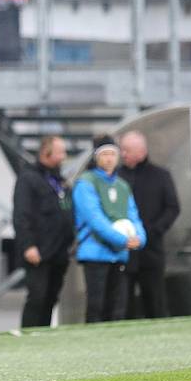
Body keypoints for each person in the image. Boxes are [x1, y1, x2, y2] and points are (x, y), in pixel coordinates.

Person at [73, 135, 146, 323]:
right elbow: (95, 219)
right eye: (104, 154)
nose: (109, 158)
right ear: (96, 157)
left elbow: (133, 215)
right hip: (95, 253)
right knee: (97, 306)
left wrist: (139, 238)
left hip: (119, 254)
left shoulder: (122, 186)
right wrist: (123, 240)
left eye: (112, 154)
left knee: (118, 307)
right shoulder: (85, 183)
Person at [13, 136, 75, 328]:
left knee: (50, 297)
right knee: (37, 297)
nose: (64, 156)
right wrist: (28, 245)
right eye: (60, 152)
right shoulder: (28, 179)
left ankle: (44, 333)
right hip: (38, 251)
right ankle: (29, 333)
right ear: (46, 153)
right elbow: (22, 215)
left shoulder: (59, 180)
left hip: (58, 251)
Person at [118, 131, 180, 319]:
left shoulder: (160, 175)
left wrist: (152, 232)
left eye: (126, 150)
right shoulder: (117, 177)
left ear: (141, 151)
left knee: (155, 302)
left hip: (152, 250)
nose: (123, 154)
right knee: (122, 304)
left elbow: (172, 208)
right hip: (123, 250)